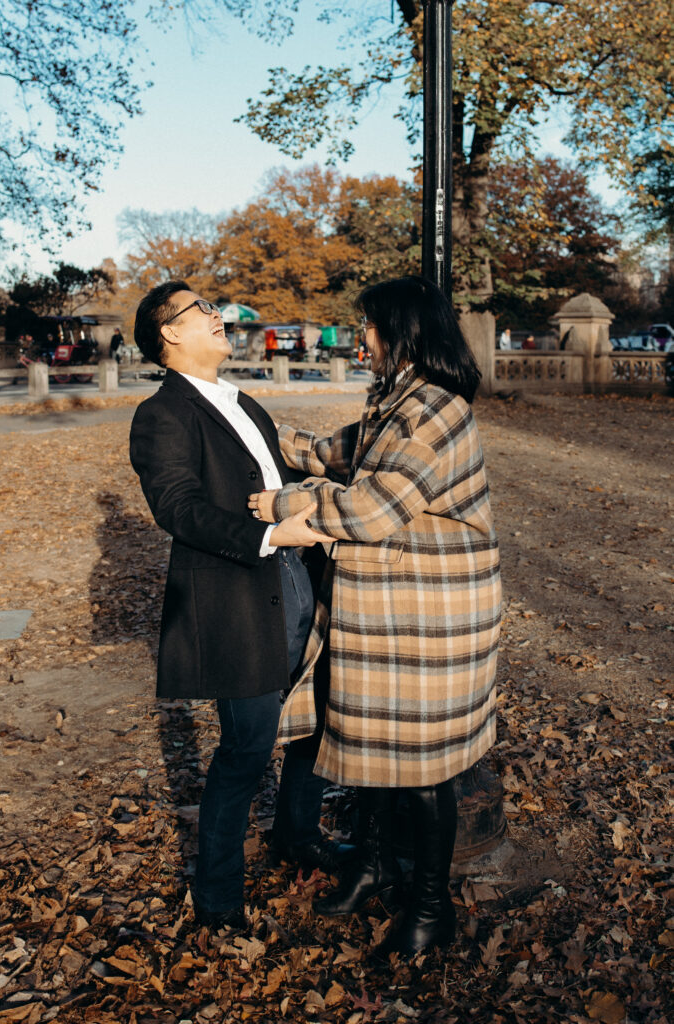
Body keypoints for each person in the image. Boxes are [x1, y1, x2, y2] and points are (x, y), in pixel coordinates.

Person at [249, 275, 502, 956]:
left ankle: (429, 908)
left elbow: (373, 505)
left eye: (366, 326)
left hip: (430, 615)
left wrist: (288, 510)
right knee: (375, 752)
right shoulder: (397, 401)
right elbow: (342, 454)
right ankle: (373, 864)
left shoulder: (435, 409)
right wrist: (263, 434)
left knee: (423, 765)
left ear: (403, 330)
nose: (359, 337)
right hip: (390, 612)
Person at [129, 281, 345, 934]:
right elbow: (178, 508)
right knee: (248, 748)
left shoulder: (244, 401)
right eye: (203, 311)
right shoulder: (161, 414)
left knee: (314, 723)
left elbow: (277, 482)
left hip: (299, 580)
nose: (219, 318)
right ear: (169, 332)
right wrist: (271, 534)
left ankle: (296, 835)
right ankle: (218, 900)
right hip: (236, 595)